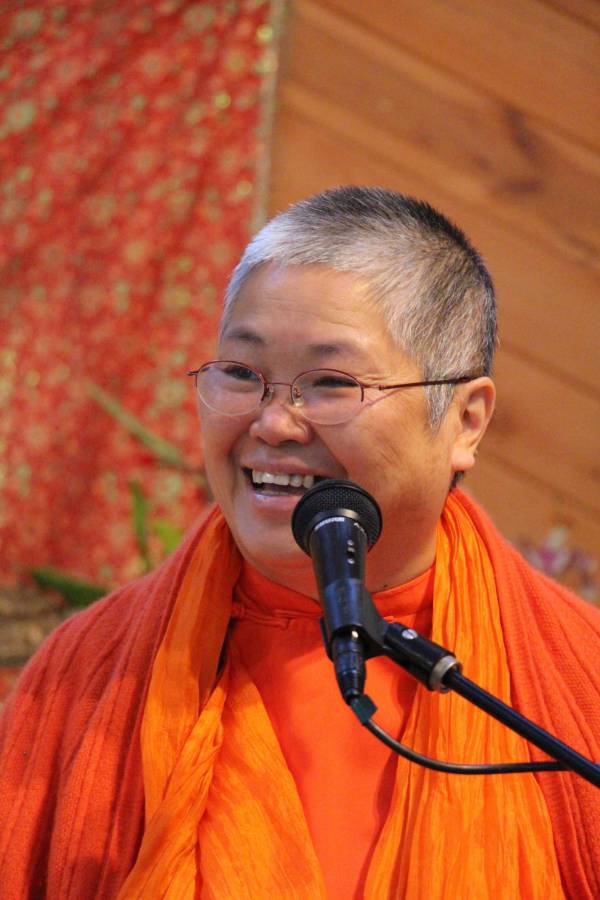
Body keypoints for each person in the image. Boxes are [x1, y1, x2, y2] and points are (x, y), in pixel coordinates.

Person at [1, 186, 599, 900]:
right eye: (242, 374)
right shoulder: (83, 678)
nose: (275, 424)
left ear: (465, 420)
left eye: (330, 383)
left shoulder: (574, 685)